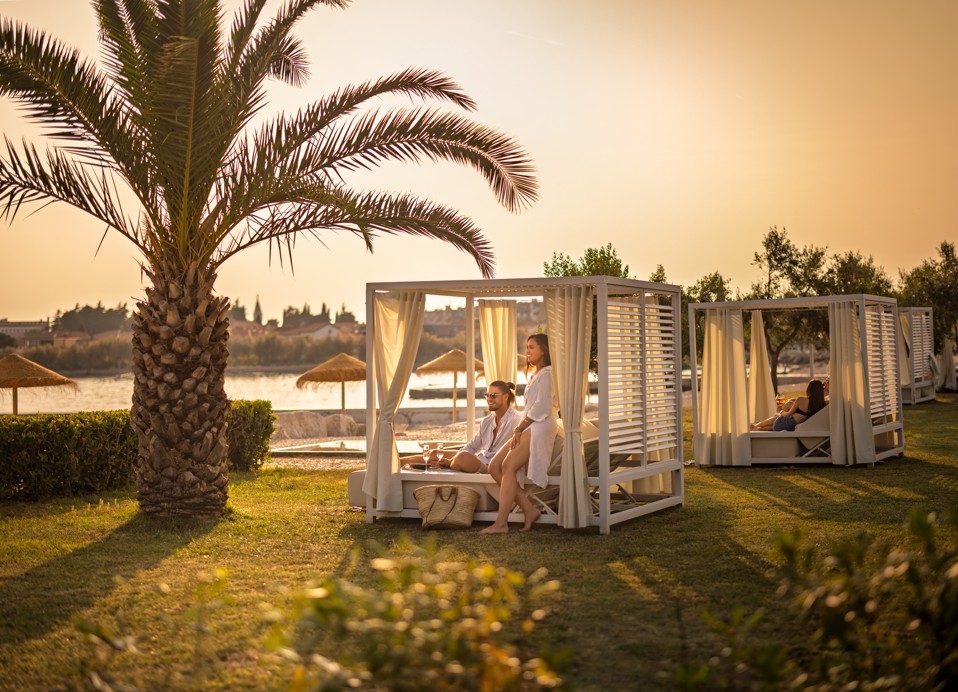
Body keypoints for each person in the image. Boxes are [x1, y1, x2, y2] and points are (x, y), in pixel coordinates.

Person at [480, 333, 559, 534]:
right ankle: (529, 509)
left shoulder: (548, 374)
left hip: (541, 424)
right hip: (531, 423)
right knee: (494, 466)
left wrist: (519, 427)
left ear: (544, 350)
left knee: (507, 465)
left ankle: (501, 523)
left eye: (532, 347)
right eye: (527, 347)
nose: (527, 351)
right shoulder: (535, 375)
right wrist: (522, 427)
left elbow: (542, 407)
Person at [401, 380, 522, 471]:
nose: (489, 399)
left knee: (462, 458)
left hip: (492, 466)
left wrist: (452, 461)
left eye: (493, 395)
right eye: (487, 395)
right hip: (480, 459)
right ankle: (396, 463)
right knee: (435, 453)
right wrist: (453, 458)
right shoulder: (487, 421)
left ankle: (450, 464)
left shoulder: (516, 420)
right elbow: (472, 447)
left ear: (505, 397)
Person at [751, 379, 827, 431]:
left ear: (809, 389)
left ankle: (756, 426)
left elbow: (787, 415)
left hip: (782, 424)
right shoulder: (823, 404)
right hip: (791, 427)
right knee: (790, 404)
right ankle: (756, 427)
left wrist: (780, 410)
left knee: (786, 407)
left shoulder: (801, 400)